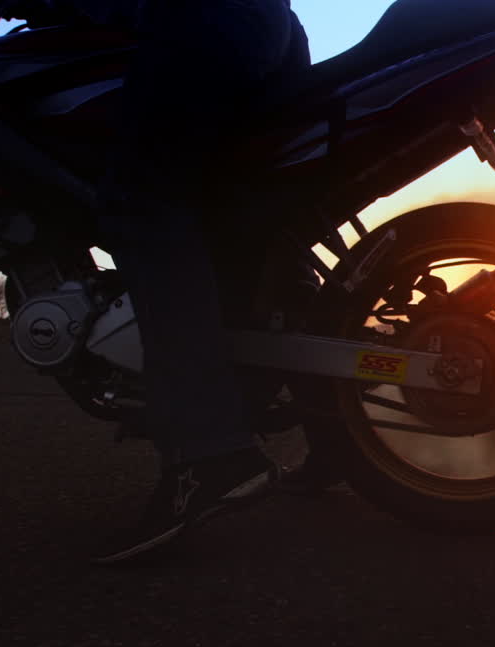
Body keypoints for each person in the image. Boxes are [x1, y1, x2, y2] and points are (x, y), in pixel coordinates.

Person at [19, 0, 315, 563]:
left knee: (139, 200)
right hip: (268, 26)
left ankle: (209, 456)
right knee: (247, 228)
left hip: (203, 19)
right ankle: (337, 438)